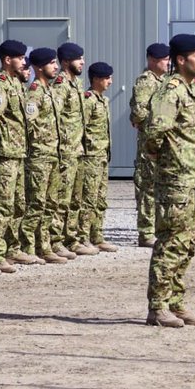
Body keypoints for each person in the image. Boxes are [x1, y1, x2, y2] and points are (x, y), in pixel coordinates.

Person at [144, 33, 195, 328]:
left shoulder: (189, 89)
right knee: (171, 242)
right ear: (181, 60)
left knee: (187, 243)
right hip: (176, 179)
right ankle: (157, 307)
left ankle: (176, 302)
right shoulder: (170, 91)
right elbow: (154, 132)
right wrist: (164, 162)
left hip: (192, 177)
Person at [0, 41, 35, 268]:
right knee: (2, 205)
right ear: (8, 60)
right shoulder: (0, 85)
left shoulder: (16, 83)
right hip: (4, 154)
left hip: (18, 152)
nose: (24, 62)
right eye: (20, 58)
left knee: (18, 204)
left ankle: (12, 248)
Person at [21, 48, 66, 264]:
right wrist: (45, 140)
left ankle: (45, 246)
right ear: (39, 67)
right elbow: (31, 124)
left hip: (53, 154)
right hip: (39, 155)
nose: (56, 67)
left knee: (51, 202)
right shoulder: (34, 92)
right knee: (36, 203)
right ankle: (29, 247)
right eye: (51, 63)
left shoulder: (50, 91)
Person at [52, 42, 93, 256]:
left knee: (76, 197)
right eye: (79, 58)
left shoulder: (76, 84)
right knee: (62, 198)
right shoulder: (60, 85)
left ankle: (72, 238)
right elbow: (54, 117)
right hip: (66, 150)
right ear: (66, 62)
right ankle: (56, 240)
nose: (83, 62)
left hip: (78, 149)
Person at [130, 43, 170, 246]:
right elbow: (139, 110)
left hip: (160, 141)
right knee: (148, 187)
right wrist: (151, 125)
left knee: (160, 185)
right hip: (149, 142)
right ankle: (145, 233)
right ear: (153, 60)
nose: (168, 63)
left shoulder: (162, 81)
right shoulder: (146, 82)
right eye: (164, 60)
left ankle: (156, 228)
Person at [80, 62, 118, 252]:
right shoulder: (88, 100)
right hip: (90, 157)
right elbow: (81, 128)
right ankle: (83, 237)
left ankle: (97, 235)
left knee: (100, 199)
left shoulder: (102, 100)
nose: (110, 82)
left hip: (102, 155)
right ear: (95, 79)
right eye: (106, 78)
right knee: (88, 198)